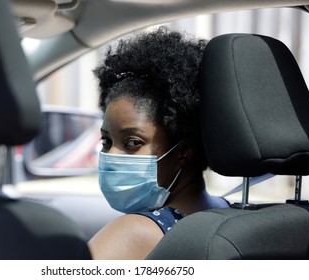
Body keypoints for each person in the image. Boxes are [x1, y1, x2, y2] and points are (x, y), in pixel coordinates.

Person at [88, 26, 229, 260]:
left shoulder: (136, 232)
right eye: (106, 140)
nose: (111, 155)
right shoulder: (231, 213)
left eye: (132, 142)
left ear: (183, 152)